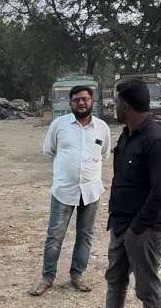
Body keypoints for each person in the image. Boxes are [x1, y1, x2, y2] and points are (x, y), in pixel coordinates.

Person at [76, 79, 161, 308]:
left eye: (117, 103)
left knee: (147, 288)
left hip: (144, 230)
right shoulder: (127, 136)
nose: (114, 108)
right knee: (114, 281)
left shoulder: (157, 142)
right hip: (120, 226)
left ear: (126, 106)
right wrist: (119, 224)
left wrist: (136, 230)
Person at [31, 85, 111, 296]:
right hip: (63, 191)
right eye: (76, 100)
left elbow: (104, 154)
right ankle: (47, 277)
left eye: (85, 99)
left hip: (91, 191)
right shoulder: (59, 125)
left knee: (85, 235)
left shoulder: (102, 128)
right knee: (54, 236)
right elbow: (49, 152)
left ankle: (77, 274)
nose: (81, 103)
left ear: (92, 101)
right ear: (70, 104)